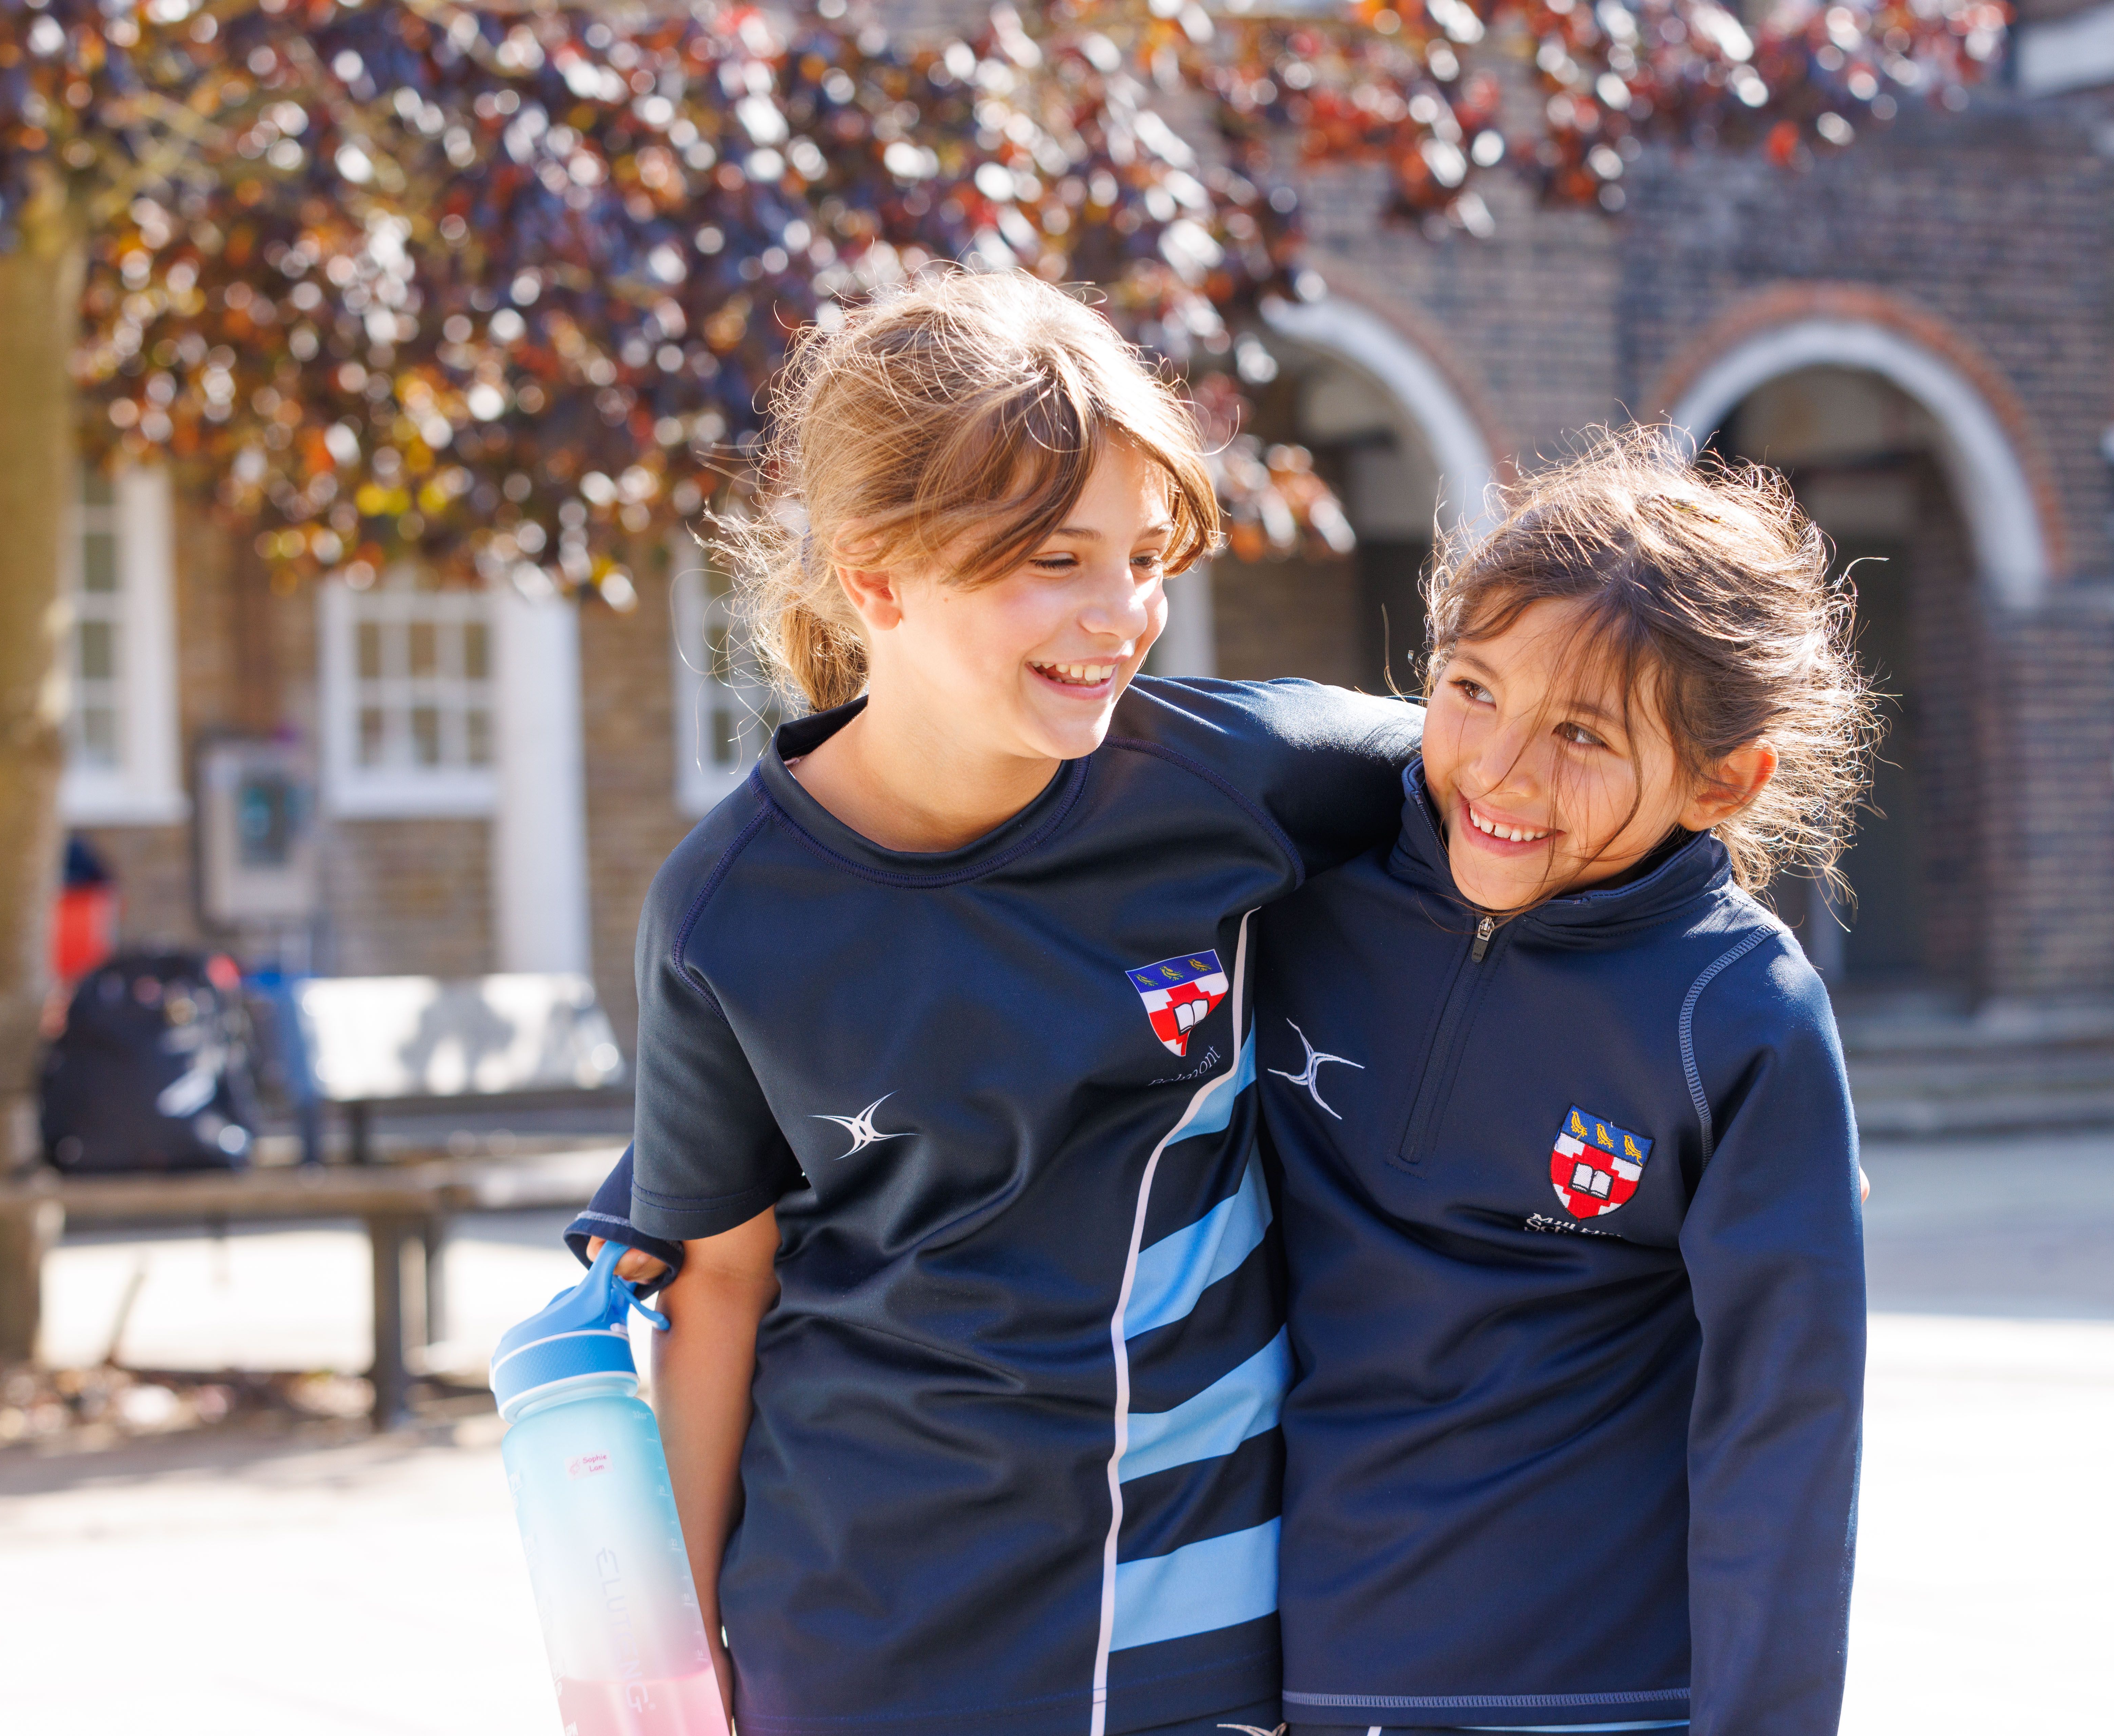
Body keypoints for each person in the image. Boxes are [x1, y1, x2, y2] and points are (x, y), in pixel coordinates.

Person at [568, 267, 1420, 1736]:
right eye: (1053, 560)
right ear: (876, 574)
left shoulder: (1247, 778)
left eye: (1145, 554)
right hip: (859, 1638)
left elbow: (1518, 782)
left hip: (1197, 1622)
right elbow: (714, 1291)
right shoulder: (725, 912)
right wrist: (674, 1667)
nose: (1122, 614)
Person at [1256, 428, 1875, 1736]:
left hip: (1595, 1694)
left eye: (1583, 735)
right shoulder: (1300, 906)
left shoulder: (1739, 1017)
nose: (1503, 772)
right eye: (1471, 689)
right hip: (1287, 1676)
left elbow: (1785, 1433)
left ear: (1725, 779)